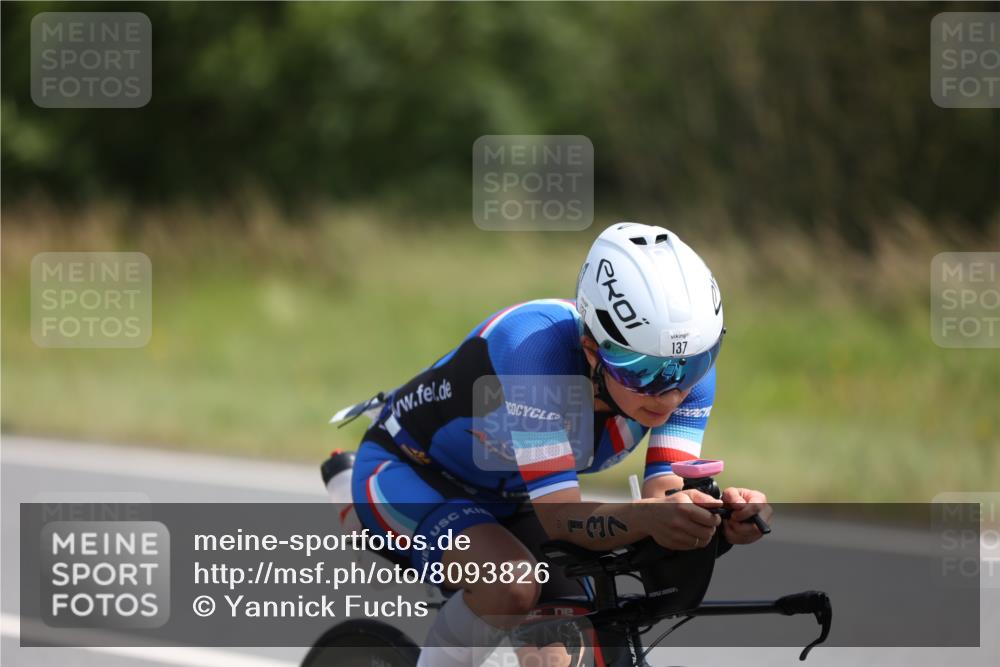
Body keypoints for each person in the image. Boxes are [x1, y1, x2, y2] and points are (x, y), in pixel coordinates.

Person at [347, 222, 772, 667]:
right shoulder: (536, 355)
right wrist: (654, 516)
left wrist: (716, 514)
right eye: (642, 370)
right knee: (509, 583)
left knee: (556, 655)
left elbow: (663, 495)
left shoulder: (688, 376)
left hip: (514, 494)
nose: (670, 393)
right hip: (411, 474)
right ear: (592, 350)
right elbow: (561, 517)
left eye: (690, 367)